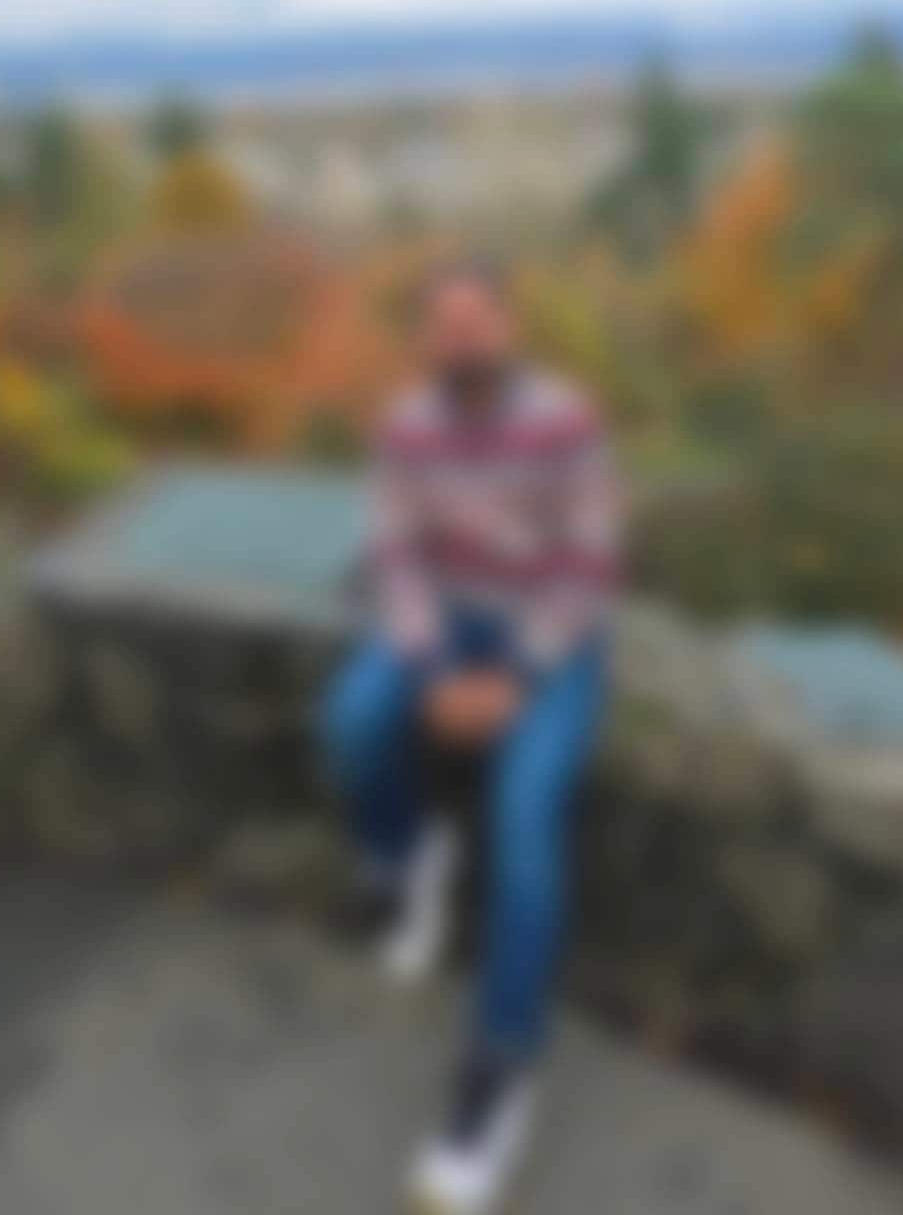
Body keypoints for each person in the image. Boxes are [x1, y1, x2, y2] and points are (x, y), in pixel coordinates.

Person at [320, 260, 622, 1213]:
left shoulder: (565, 419)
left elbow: (590, 562)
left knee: (524, 815)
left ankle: (501, 1067)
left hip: (550, 635)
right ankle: (408, 858)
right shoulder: (405, 426)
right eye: (442, 323)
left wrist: (517, 674)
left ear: (509, 324)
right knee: (351, 718)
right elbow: (395, 554)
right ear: (424, 338)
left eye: (477, 317)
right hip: (446, 625)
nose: (461, 336)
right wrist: (432, 670)